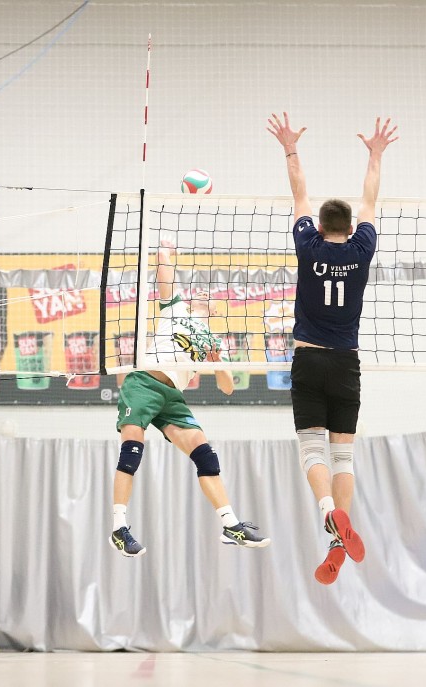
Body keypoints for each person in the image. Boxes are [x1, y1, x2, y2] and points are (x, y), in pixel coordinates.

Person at [267, 112, 397, 584]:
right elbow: (370, 200)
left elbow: (299, 193)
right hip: (346, 363)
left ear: (319, 228)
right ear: (349, 227)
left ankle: (328, 512)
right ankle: (338, 540)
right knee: (343, 455)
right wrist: (376, 154)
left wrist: (290, 147)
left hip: (308, 358)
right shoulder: (362, 249)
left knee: (312, 449)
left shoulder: (309, 247)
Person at [110, 240, 270, 557]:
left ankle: (231, 525)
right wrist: (165, 252)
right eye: (199, 291)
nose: (203, 293)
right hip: (144, 383)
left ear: (216, 309)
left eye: (210, 295)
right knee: (132, 451)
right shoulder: (176, 308)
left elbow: (227, 387)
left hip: (172, 396)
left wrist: (217, 361)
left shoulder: (212, 339)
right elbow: (164, 274)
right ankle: (119, 528)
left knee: (206, 456)